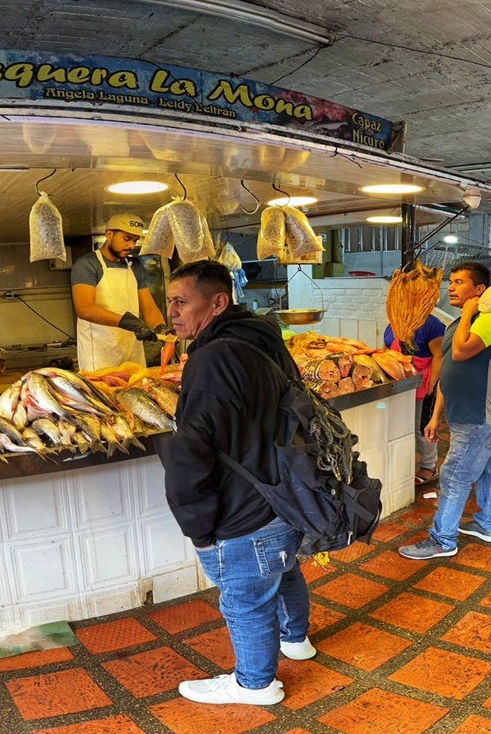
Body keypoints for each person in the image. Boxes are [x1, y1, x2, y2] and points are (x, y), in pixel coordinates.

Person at [156, 260, 313, 706]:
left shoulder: (210, 359)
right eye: (170, 301)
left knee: (245, 600)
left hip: (243, 508)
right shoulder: (264, 340)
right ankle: (295, 639)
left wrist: (197, 526)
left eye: (182, 301)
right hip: (284, 494)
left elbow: (192, 450)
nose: (172, 311)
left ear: (218, 301)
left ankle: (255, 683)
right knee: (283, 571)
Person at [400, 262, 491, 560]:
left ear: (479, 290)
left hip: (479, 415)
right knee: (489, 471)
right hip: (463, 414)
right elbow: (449, 371)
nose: (450, 287)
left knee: (454, 476)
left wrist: (467, 314)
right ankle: (488, 524)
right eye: (450, 281)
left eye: (459, 282)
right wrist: (436, 416)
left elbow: (464, 351)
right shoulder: (455, 324)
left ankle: (442, 540)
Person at [71, 213, 166, 371]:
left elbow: (149, 309)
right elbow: (85, 308)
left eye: (135, 240)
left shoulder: (134, 266)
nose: (131, 246)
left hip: (132, 350)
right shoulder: (87, 265)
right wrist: (130, 323)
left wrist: (162, 328)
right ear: (109, 235)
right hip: (100, 355)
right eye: (126, 239)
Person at [384, 314, 445, 483]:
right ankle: (405, 461)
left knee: (422, 424)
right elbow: (386, 348)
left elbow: (440, 356)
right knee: (401, 425)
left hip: (423, 383)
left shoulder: (431, 324)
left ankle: (429, 466)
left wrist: (432, 384)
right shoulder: (395, 322)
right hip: (399, 382)